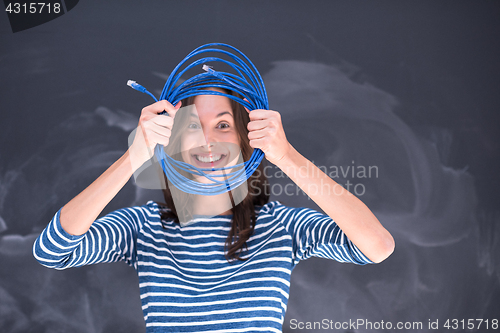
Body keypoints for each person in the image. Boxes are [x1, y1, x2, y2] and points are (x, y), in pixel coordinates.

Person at [33, 85, 395, 332]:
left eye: (222, 125)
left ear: (244, 137)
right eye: (192, 126)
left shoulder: (282, 226)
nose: (206, 139)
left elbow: (376, 246)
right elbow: (51, 250)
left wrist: (286, 155)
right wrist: (134, 156)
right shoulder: (142, 228)